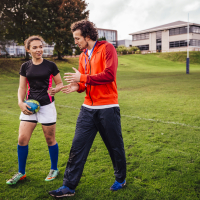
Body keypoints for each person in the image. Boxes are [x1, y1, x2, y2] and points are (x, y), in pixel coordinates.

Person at [48, 20, 126, 198]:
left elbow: (109, 75)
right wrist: (77, 86)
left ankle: (121, 179)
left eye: (77, 38)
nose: (75, 42)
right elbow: (84, 84)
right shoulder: (83, 56)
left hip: (108, 107)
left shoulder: (107, 48)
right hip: (87, 109)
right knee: (77, 146)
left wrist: (82, 77)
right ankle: (68, 186)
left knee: (115, 147)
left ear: (88, 36)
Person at [6, 35, 63, 185]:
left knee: (50, 139)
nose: (39, 50)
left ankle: (54, 169)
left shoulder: (50, 65)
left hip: (47, 106)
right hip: (29, 106)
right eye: (35, 47)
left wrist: (55, 90)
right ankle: (21, 172)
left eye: (41, 46)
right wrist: (20, 102)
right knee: (22, 139)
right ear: (28, 50)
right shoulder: (25, 66)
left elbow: (59, 83)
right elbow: (22, 87)